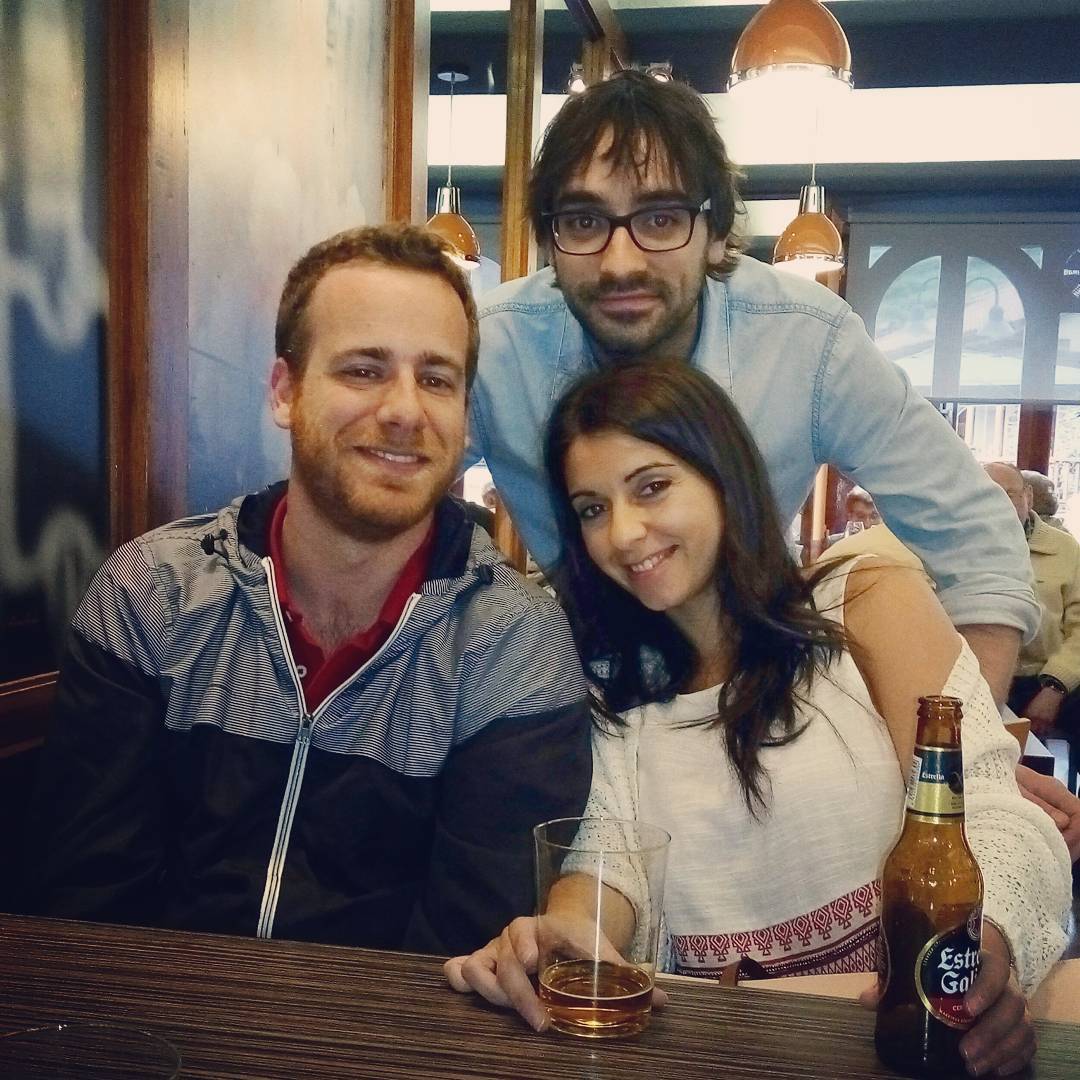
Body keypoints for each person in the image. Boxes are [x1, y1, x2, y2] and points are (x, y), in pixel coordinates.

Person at [447, 362, 1072, 1078]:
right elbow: (609, 861)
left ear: (724, 478)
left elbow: (989, 809)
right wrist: (563, 933)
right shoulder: (613, 683)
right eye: (592, 509)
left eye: (652, 487)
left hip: (898, 1039)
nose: (622, 532)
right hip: (719, 1050)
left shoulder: (863, 602)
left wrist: (984, 949)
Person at [30, 225, 592, 955]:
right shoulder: (153, 593)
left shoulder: (515, 646)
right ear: (285, 392)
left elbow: (468, 959)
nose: (405, 410)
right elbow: (86, 905)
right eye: (363, 370)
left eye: (436, 379)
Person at [466, 70, 1036, 709]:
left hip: (757, 692)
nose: (620, 263)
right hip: (572, 690)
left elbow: (976, 536)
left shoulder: (806, 339)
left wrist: (962, 748)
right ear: (550, 240)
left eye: (661, 218)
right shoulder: (493, 348)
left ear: (716, 235)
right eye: (582, 221)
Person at [987, 462, 1080, 748]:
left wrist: (1055, 687)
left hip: (1045, 677)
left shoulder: (1065, 549)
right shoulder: (955, 547)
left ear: (1028, 496)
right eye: (988, 495)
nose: (999, 504)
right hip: (979, 674)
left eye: (1009, 494)